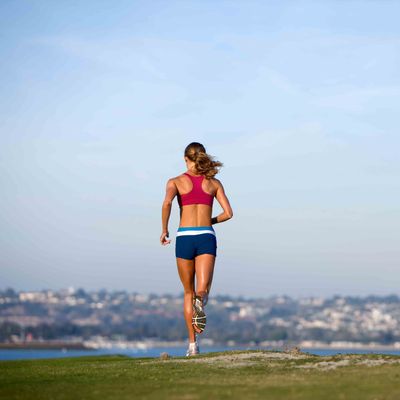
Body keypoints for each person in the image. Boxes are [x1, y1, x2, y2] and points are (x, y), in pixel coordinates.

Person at [160, 142, 233, 356]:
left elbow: (166, 204)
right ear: (202, 156)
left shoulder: (175, 182)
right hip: (206, 236)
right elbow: (228, 213)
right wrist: (209, 220)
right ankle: (201, 301)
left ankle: (192, 345)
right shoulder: (214, 183)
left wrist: (164, 229)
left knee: (187, 292)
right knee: (202, 290)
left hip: (184, 237)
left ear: (185, 159)